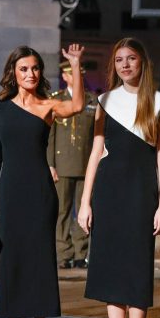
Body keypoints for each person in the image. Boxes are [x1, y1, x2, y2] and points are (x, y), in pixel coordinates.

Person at [0, 44, 85, 318]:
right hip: (10, 193)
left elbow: (78, 104)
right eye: (24, 68)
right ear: (14, 71)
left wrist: (76, 64)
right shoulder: (0, 110)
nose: (30, 74)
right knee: (12, 265)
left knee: (40, 265)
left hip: (40, 194)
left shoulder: (48, 106)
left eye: (35, 68)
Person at [78, 37, 160, 318]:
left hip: (140, 196)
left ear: (142, 63)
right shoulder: (105, 101)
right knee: (109, 271)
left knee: (135, 271)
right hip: (108, 194)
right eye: (119, 60)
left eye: (131, 59)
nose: (125, 65)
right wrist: (85, 202)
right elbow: (96, 151)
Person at [47, 62, 97, 269]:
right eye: (72, 73)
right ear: (65, 76)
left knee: (84, 210)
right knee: (62, 211)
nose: (77, 76)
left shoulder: (92, 100)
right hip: (62, 164)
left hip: (86, 164)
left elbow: (97, 135)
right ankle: (63, 253)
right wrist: (50, 164)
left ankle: (81, 252)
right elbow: (50, 136)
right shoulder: (56, 100)